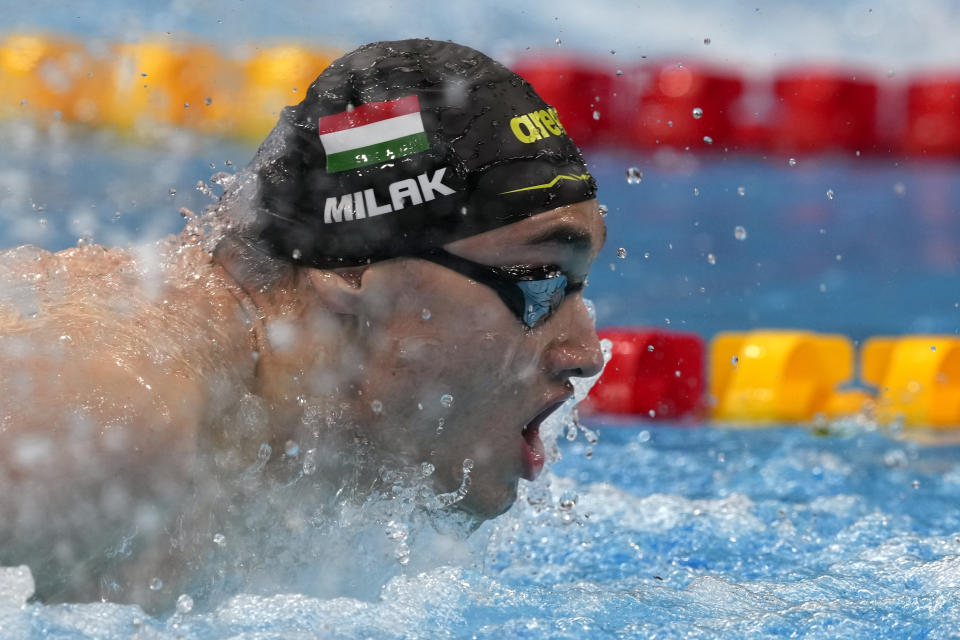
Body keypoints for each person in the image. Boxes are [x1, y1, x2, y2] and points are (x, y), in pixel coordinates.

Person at [0, 38, 605, 609]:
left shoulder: (300, 445)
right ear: (349, 267)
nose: (586, 353)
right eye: (537, 277)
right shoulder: (105, 420)